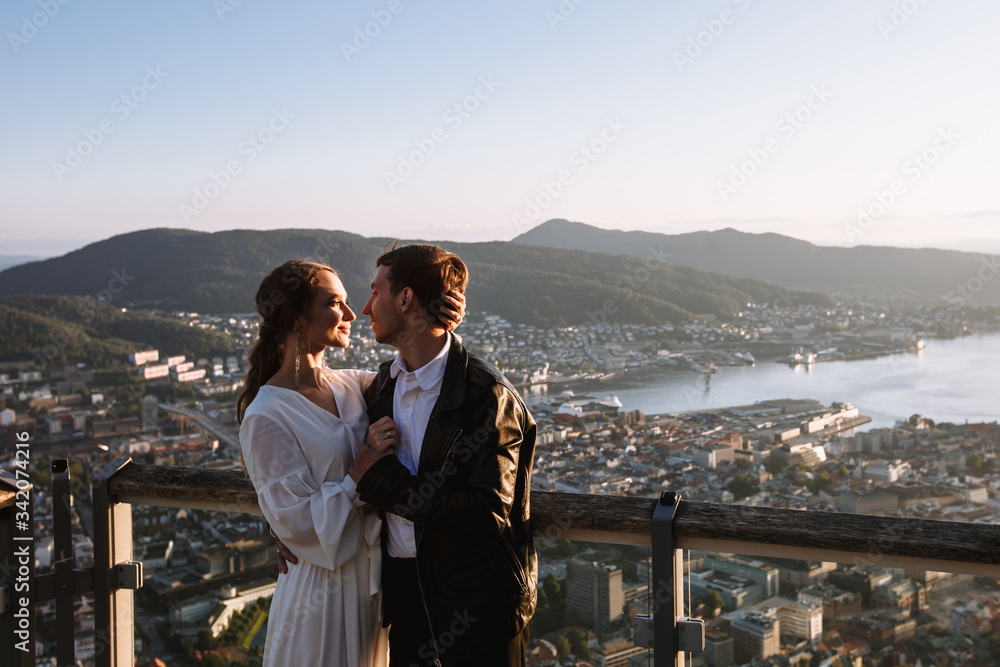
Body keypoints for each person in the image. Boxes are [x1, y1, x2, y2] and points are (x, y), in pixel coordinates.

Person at [237, 259, 464, 667]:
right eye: (334, 303)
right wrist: (360, 471)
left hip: (371, 588)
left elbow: (420, 375)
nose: (349, 314)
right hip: (319, 594)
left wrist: (436, 324)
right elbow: (299, 523)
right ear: (295, 316)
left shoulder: (351, 386)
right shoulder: (266, 415)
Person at [352, 244, 538, 667]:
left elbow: (488, 511)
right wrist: (286, 527)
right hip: (405, 598)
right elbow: (296, 392)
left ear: (405, 299)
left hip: (477, 608)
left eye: (375, 291)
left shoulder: (486, 394)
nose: (365, 307)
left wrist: (381, 480)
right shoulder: (381, 386)